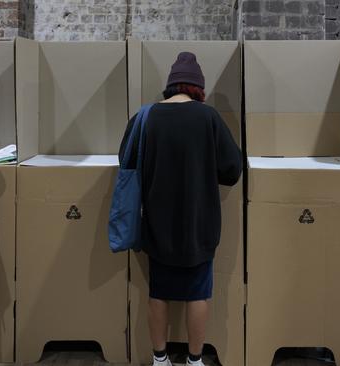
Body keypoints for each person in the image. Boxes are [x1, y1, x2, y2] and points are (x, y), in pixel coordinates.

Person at [119, 52, 242, 366]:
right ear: (198, 88)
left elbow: (126, 161)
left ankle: (159, 359)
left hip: (157, 221)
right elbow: (232, 170)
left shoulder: (145, 116)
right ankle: (194, 359)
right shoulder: (209, 117)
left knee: (158, 291)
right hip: (199, 221)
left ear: (171, 86)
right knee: (197, 292)